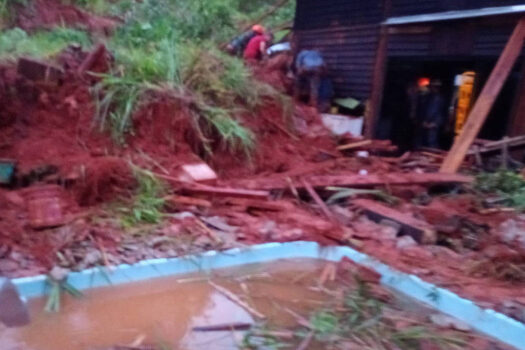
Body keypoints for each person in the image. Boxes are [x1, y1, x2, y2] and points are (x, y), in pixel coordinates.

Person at [415, 79, 446, 149]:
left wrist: (435, 123)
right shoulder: (426, 98)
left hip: (433, 125)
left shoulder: (440, 99)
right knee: (421, 142)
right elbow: (421, 110)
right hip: (424, 123)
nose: (434, 89)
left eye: (436, 87)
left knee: (431, 142)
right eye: (433, 87)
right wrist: (422, 121)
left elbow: (441, 112)